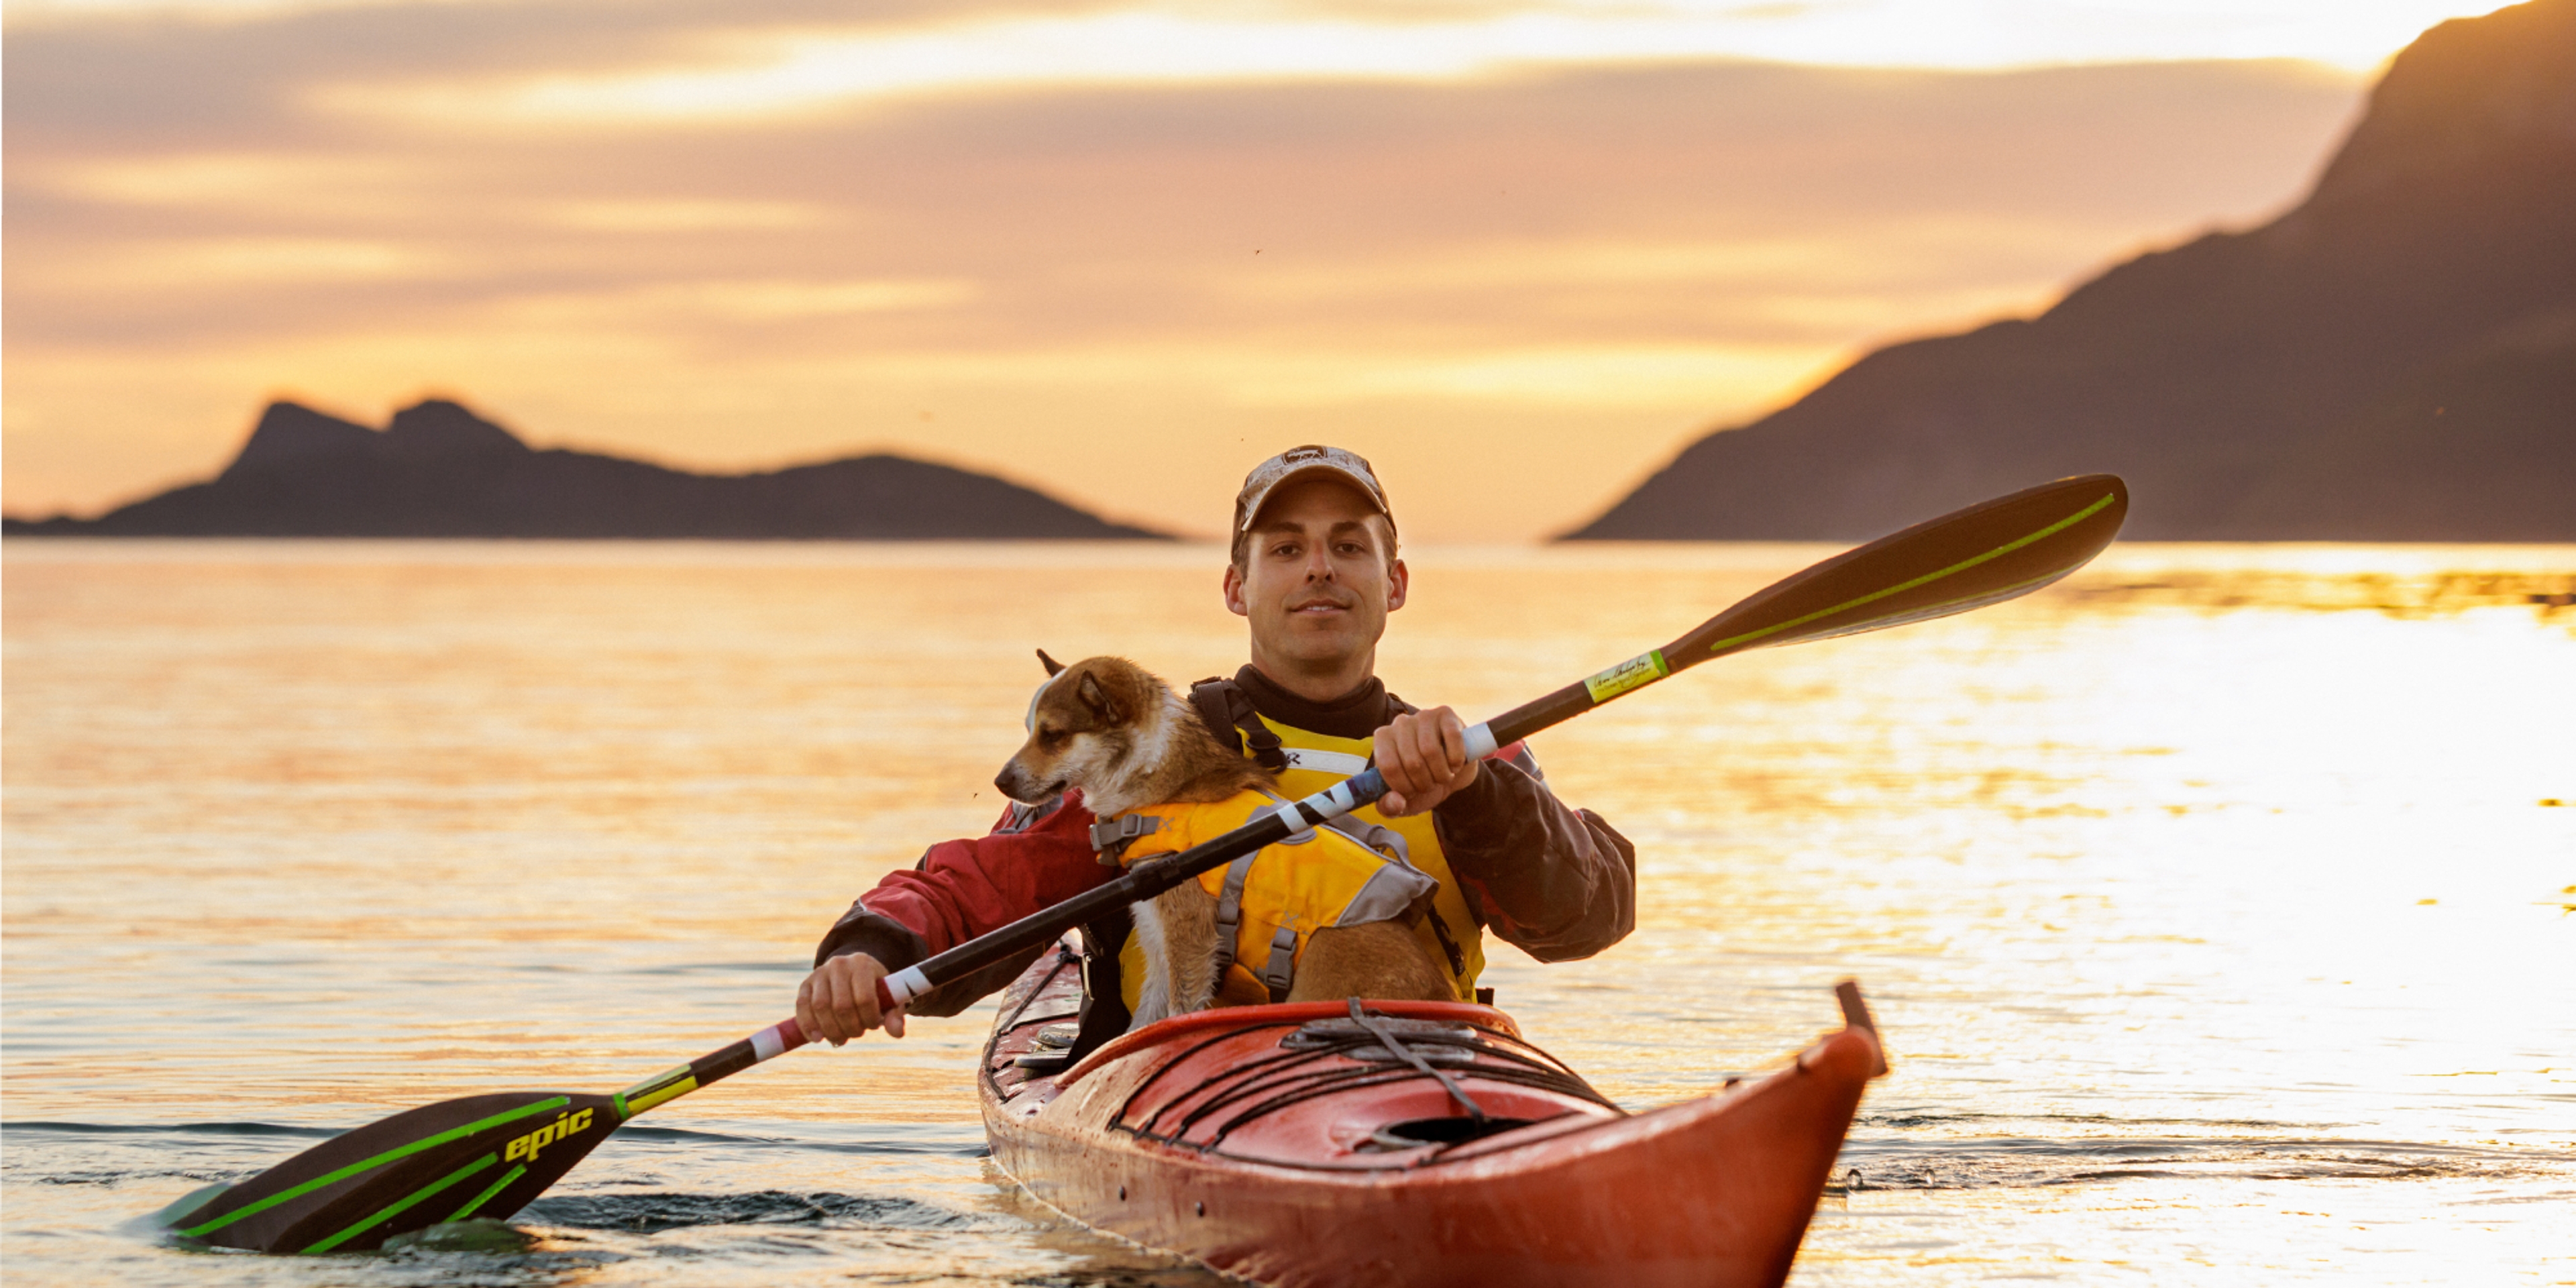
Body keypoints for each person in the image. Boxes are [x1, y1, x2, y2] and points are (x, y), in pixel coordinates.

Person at [796, 445, 1634, 1045]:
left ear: (1396, 585)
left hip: (1420, 1070)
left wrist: (1476, 794)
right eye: (1286, 549)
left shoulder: (1472, 761)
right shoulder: (1149, 757)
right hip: (1180, 1091)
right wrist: (872, 948)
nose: (1319, 569)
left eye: (1349, 546)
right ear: (1237, 588)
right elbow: (990, 882)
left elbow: (1591, 918)